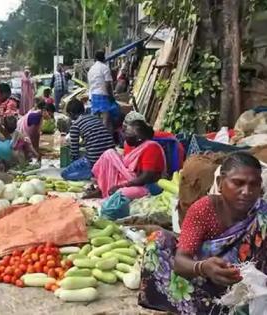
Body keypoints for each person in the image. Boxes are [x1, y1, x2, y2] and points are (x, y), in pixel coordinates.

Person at [139, 152, 267, 315]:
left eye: (254, 184)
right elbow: (181, 261)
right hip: (204, 281)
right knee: (157, 241)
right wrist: (203, 267)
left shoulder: (261, 214)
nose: (246, 191)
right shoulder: (204, 210)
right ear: (220, 183)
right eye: (238, 183)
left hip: (247, 285)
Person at [87, 119, 166, 199]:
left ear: (139, 137)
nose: (125, 136)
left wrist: (122, 186)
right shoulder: (130, 146)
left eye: (128, 134)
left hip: (147, 185)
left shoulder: (151, 147)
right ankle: (101, 189)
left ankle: (106, 192)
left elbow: (147, 176)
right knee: (109, 153)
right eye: (125, 132)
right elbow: (125, 168)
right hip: (131, 180)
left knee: (120, 194)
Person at [66, 98, 115, 166]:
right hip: (112, 156)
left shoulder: (75, 125)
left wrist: (73, 163)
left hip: (95, 159)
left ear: (71, 113)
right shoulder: (94, 118)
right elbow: (97, 137)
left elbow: (74, 151)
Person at [88, 50, 115, 130]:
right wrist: (111, 96)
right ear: (103, 58)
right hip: (103, 94)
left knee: (95, 118)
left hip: (93, 95)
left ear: (95, 58)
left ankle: (95, 134)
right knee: (105, 118)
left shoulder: (91, 69)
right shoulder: (105, 68)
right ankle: (104, 135)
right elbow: (108, 84)